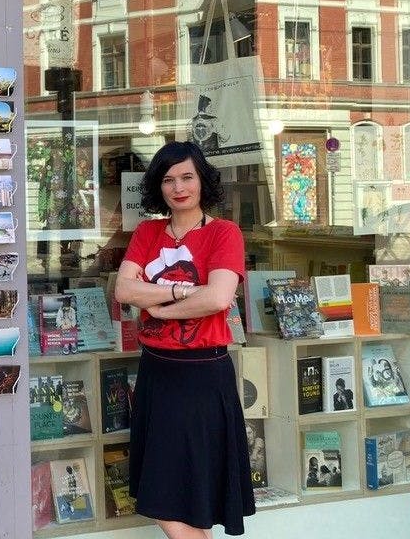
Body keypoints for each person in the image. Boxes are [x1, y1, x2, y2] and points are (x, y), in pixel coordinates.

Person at [114, 141, 254, 538]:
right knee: (162, 495)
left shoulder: (224, 233)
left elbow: (218, 297)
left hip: (203, 378)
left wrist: (155, 305)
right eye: (168, 179)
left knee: (189, 503)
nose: (179, 187)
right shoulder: (148, 232)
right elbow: (124, 291)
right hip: (157, 374)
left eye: (187, 177)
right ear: (158, 188)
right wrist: (179, 294)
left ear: (202, 180)